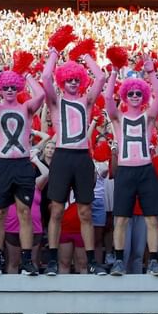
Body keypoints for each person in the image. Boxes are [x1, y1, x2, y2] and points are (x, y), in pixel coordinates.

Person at [41, 42, 107, 275]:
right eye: (69, 80)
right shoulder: (55, 102)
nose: (73, 83)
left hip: (82, 157)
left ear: (81, 80)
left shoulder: (86, 101)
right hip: (62, 155)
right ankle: (51, 259)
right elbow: (45, 78)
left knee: (85, 211)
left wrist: (86, 56)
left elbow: (100, 78)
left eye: (76, 79)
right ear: (63, 81)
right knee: (56, 210)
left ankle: (91, 260)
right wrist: (54, 53)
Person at [104, 56, 158, 276]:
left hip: (145, 170)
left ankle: (152, 261)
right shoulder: (118, 118)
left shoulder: (148, 117)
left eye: (138, 93)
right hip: (125, 170)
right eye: (131, 93)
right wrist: (114, 72)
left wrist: (151, 72)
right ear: (125, 95)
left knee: (152, 217)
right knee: (121, 218)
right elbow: (107, 99)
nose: (134, 96)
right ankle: (119, 261)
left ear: (143, 96)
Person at [0, 60, 46, 276]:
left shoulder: (25, 107)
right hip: (1, 162)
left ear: (18, 89)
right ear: (1, 89)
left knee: (24, 212)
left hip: (21, 162)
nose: (10, 91)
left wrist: (27, 75)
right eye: (6, 87)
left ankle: (27, 260)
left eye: (13, 87)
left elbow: (40, 96)